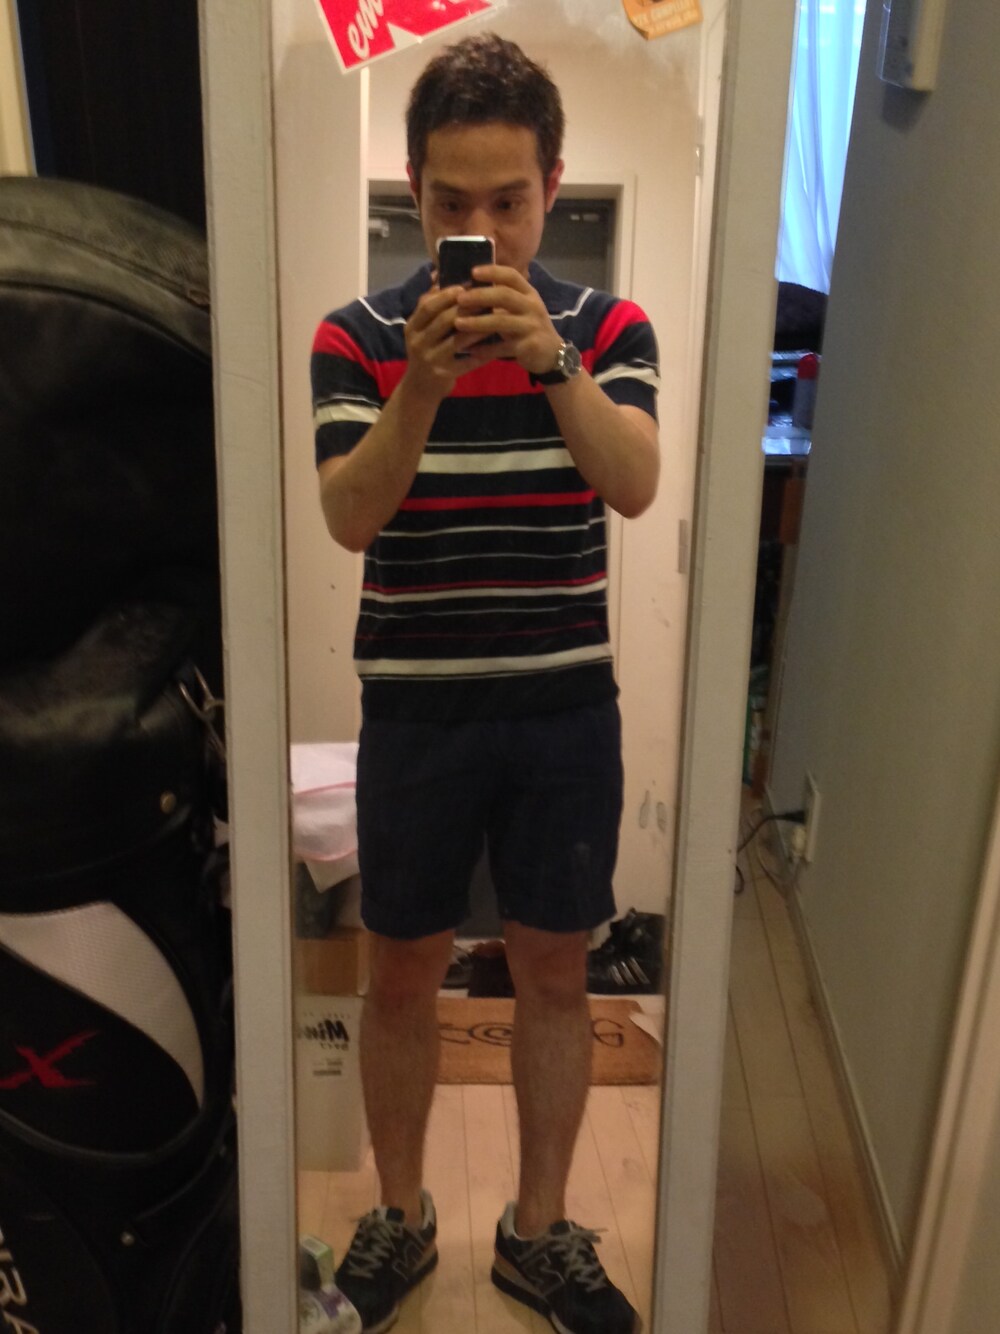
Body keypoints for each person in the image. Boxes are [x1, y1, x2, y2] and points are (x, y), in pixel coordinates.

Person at [311, 31, 659, 1334]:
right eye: (451, 203)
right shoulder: (355, 337)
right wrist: (421, 386)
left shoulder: (611, 328)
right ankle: (401, 1213)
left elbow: (633, 482)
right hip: (415, 706)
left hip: (563, 709)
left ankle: (539, 1230)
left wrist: (552, 361)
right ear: (413, 190)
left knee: (555, 972)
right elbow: (350, 515)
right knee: (401, 972)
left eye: (507, 201)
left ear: (551, 186)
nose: (482, 232)